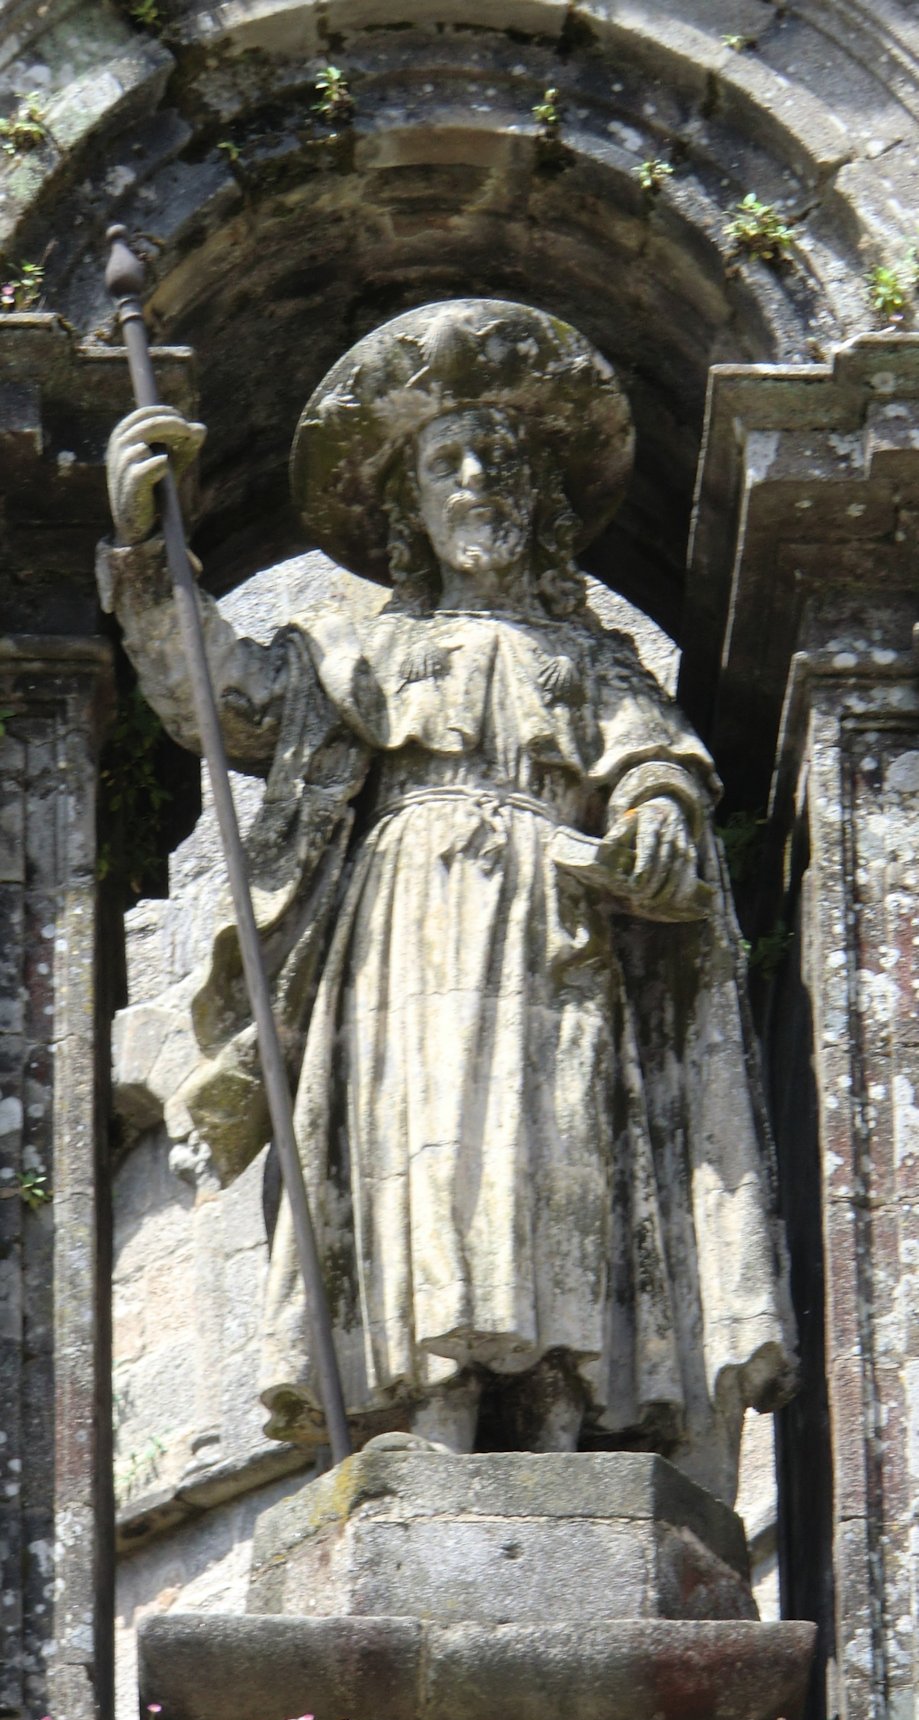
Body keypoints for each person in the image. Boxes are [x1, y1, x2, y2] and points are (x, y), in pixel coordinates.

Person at [99, 300, 794, 1501]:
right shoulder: (354, 658)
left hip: (560, 930)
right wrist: (149, 556)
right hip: (405, 932)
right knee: (420, 1157)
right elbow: (224, 694)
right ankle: (433, 1402)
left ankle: (569, 1410)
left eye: (500, 461)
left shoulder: (593, 663)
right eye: (445, 462)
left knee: (562, 1148)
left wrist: (659, 819)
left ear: (540, 499)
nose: (475, 480)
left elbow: (657, 764)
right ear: (406, 508)